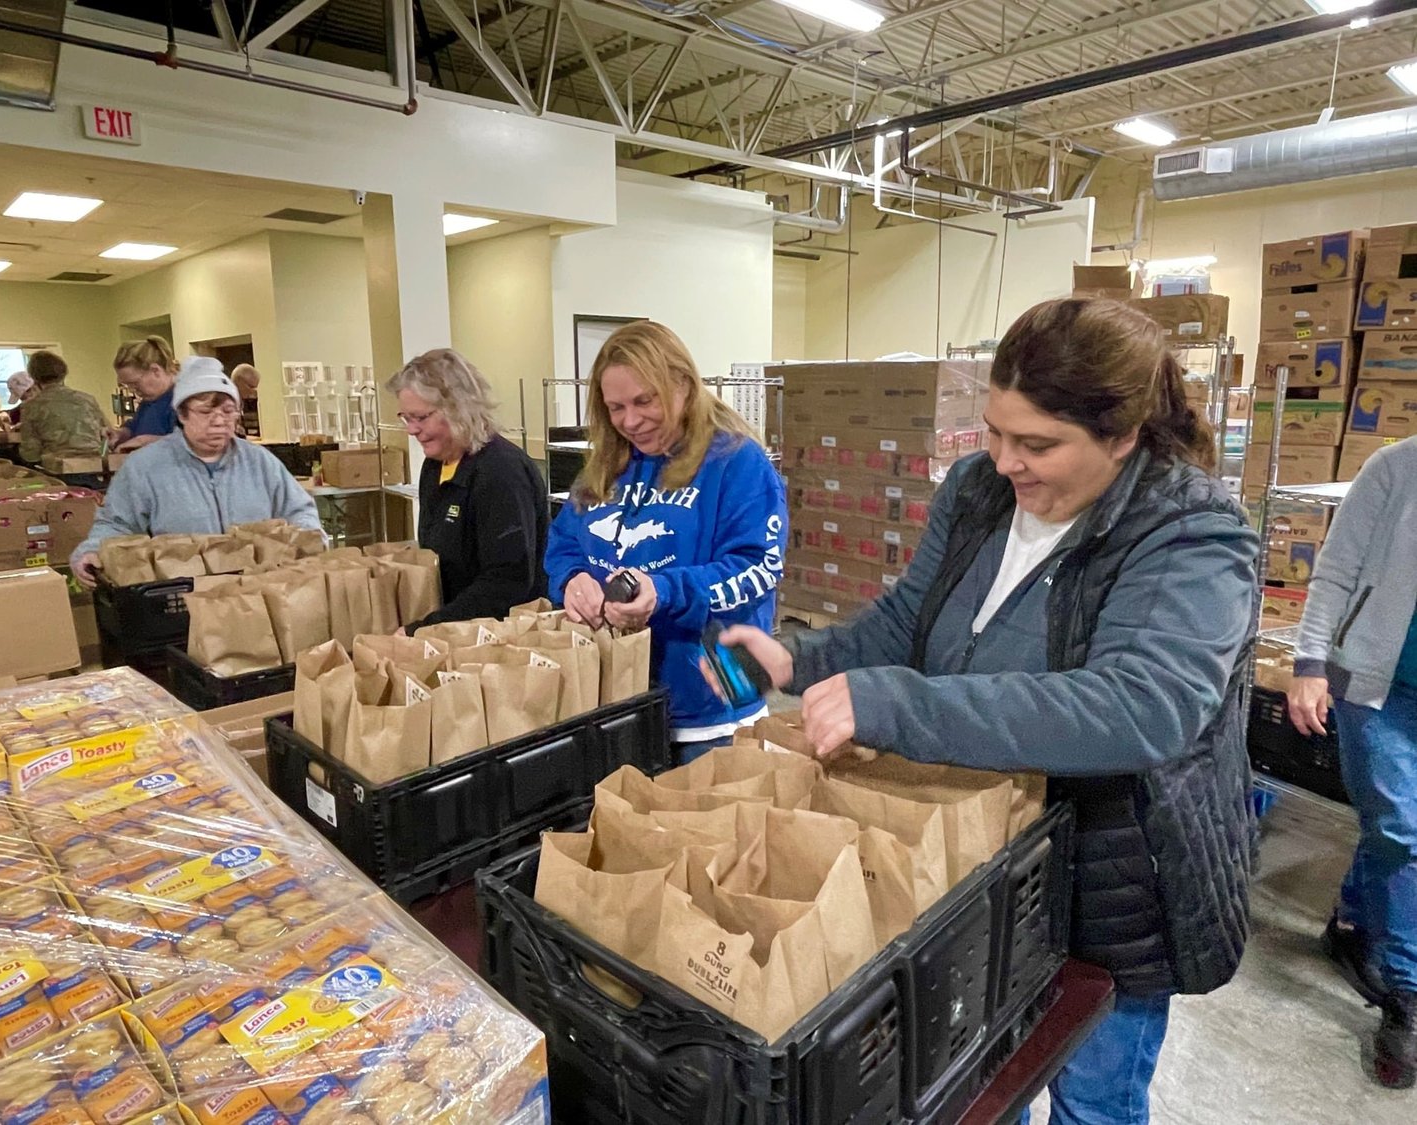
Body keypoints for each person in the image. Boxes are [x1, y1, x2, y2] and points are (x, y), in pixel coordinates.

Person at [718, 298, 1258, 1123]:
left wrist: (899, 705)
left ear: (1121, 436)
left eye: (1037, 443)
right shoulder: (979, 490)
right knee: (984, 1079)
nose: (1008, 461)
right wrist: (802, 658)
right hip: (986, 856)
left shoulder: (1189, 532)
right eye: (996, 432)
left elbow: (1141, 707)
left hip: (1109, 881)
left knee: (1093, 1097)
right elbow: (912, 618)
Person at [546, 321, 787, 763]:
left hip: (712, 704)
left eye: (645, 400)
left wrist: (665, 591)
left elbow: (757, 569)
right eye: (616, 407)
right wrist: (572, 578)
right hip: (620, 700)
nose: (630, 421)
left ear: (684, 385)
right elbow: (564, 540)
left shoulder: (736, 462)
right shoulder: (608, 463)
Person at [1288, 435, 1417, 1089]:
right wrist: (1309, 664)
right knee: (1402, 827)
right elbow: (1336, 571)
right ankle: (1408, 993)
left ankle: (1350, 922)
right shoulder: (1394, 468)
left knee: (1393, 825)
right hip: (1371, 684)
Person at [71, 357, 321, 586]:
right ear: (182, 414)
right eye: (205, 412)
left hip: (255, 594)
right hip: (181, 596)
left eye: (228, 411)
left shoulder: (259, 462)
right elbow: (116, 524)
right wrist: (91, 551)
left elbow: (298, 509)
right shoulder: (145, 467)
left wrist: (309, 537)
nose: (219, 421)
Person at [388, 348, 549, 628]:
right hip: (455, 625)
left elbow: (507, 581)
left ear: (459, 409)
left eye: (421, 418)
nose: (411, 430)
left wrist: (429, 627)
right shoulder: (435, 466)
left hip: (501, 634)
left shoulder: (501, 472)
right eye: (406, 418)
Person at [16, 352, 107, 465]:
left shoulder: (31, 406)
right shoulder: (88, 399)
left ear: (34, 377)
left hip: (57, 467)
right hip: (95, 465)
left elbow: (30, 453)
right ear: (63, 373)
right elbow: (106, 436)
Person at [110, 336, 179, 451]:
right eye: (127, 385)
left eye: (135, 383)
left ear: (155, 371)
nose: (132, 390)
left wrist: (145, 441)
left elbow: (191, 443)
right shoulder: (149, 401)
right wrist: (120, 434)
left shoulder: (185, 399)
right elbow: (134, 426)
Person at [231, 363, 261, 438]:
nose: (253, 391)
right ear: (239, 381)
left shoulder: (240, 402)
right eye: (251, 386)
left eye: (255, 387)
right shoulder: (226, 401)